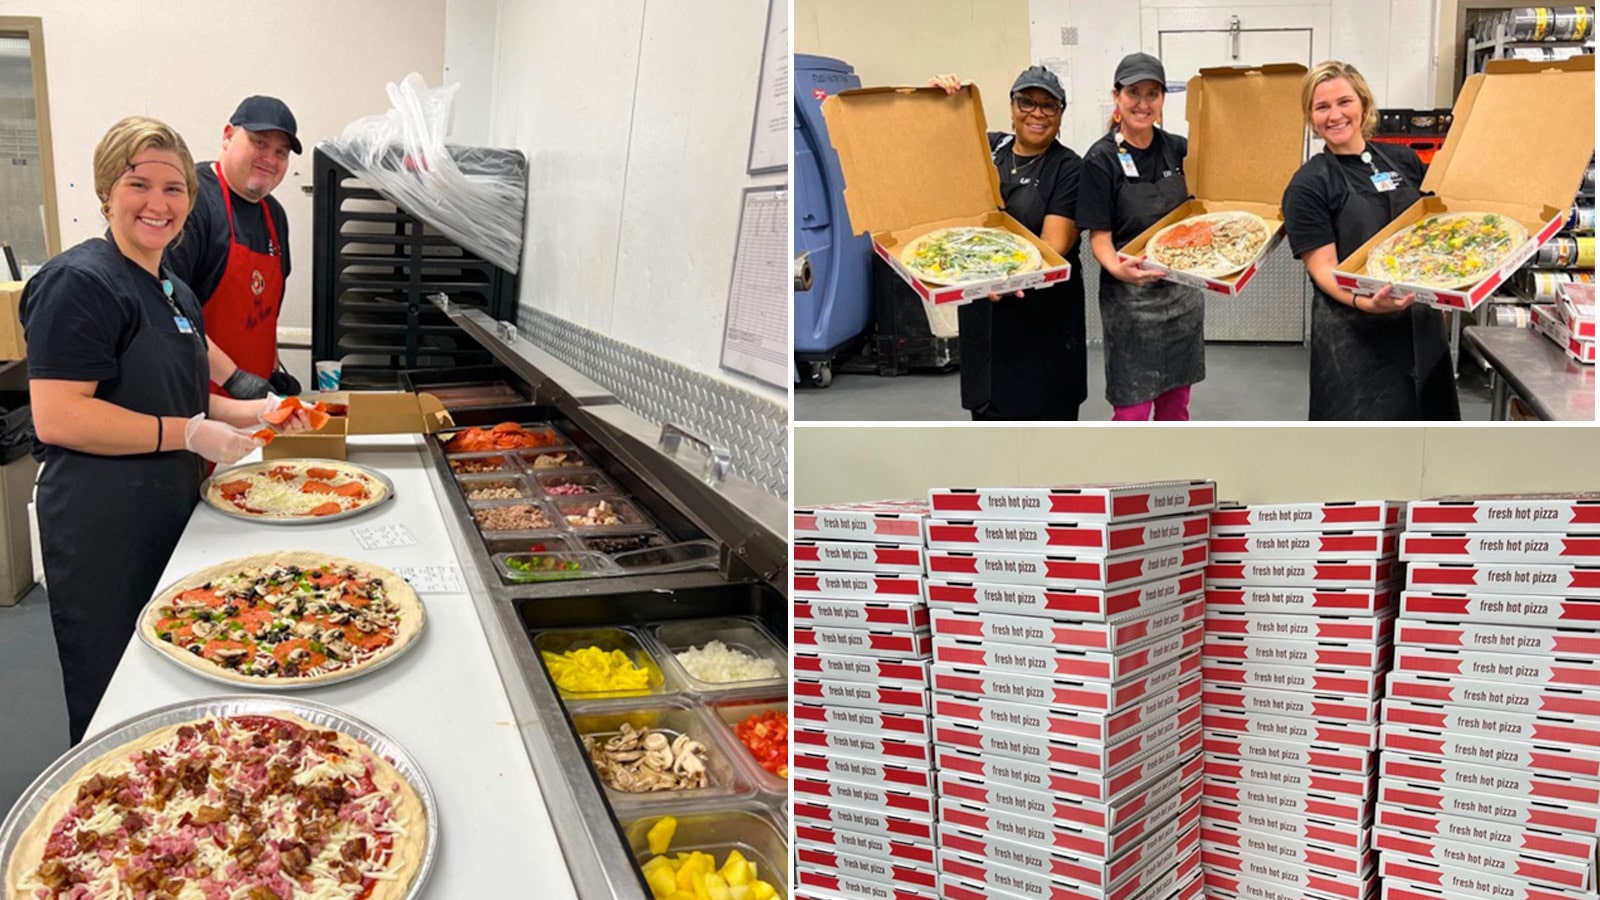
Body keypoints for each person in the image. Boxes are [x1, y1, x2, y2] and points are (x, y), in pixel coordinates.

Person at [22, 116, 306, 743]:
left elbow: (186, 395)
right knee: (116, 690)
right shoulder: (79, 282)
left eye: (174, 189)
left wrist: (262, 412)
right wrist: (188, 434)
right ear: (106, 192)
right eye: (138, 184)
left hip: (172, 508)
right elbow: (60, 415)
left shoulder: (172, 288)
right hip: (103, 522)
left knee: (174, 672)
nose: (159, 203)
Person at [1281, 61, 1459, 420]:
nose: (1335, 115)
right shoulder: (1308, 185)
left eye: (1344, 102)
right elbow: (1324, 271)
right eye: (1322, 107)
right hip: (1355, 339)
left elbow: (1437, 227)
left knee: (1429, 437)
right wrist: (1365, 304)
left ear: (1363, 103)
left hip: (1421, 327)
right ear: (1311, 117)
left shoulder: (1403, 160)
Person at [929, 66, 1087, 420]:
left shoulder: (1070, 169)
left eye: (1049, 106)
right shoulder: (988, 148)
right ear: (1012, 106)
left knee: (1044, 421)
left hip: (1042, 324)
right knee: (988, 418)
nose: (1037, 113)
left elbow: (1053, 245)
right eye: (1027, 102)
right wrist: (943, 103)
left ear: (1061, 114)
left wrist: (1001, 276)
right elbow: (932, 154)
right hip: (985, 318)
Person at [1075, 52, 1205, 421]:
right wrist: (1118, 269)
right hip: (1130, 302)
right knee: (1131, 408)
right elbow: (1099, 237)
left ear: (1163, 100)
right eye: (1134, 92)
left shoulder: (1178, 150)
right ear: (1117, 96)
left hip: (1181, 296)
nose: (1143, 104)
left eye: (1153, 94)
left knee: (1176, 405)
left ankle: (1172, 473)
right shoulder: (1101, 159)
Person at [167, 95, 301, 400]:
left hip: (256, 403)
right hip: (197, 401)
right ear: (228, 135)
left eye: (281, 152)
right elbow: (168, 312)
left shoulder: (274, 215)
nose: (271, 158)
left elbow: (265, 313)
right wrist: (234, 379)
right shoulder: (193, 200)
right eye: (259, 142)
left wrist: (273, 370)